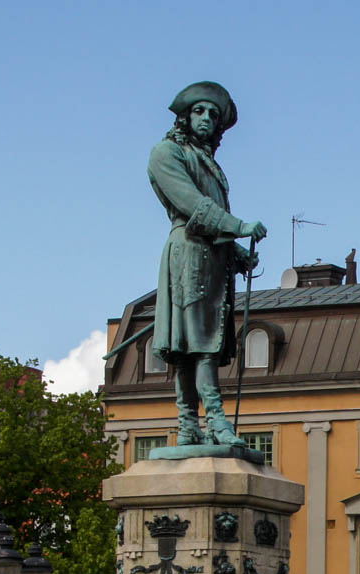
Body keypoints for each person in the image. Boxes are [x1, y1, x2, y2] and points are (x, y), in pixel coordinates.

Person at [149, 81, 268, 448]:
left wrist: (235, 253)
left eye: (213, 115)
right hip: (188, 254)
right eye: (199, 111)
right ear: (185, 116)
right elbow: (193, 206)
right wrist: (239, 227)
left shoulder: (210, 165)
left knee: (197, 344)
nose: (206, 119)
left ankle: (189, 426)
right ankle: (213, 421)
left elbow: (213, 216)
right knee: (198, 345)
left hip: (212, 258)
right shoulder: (166, 153)